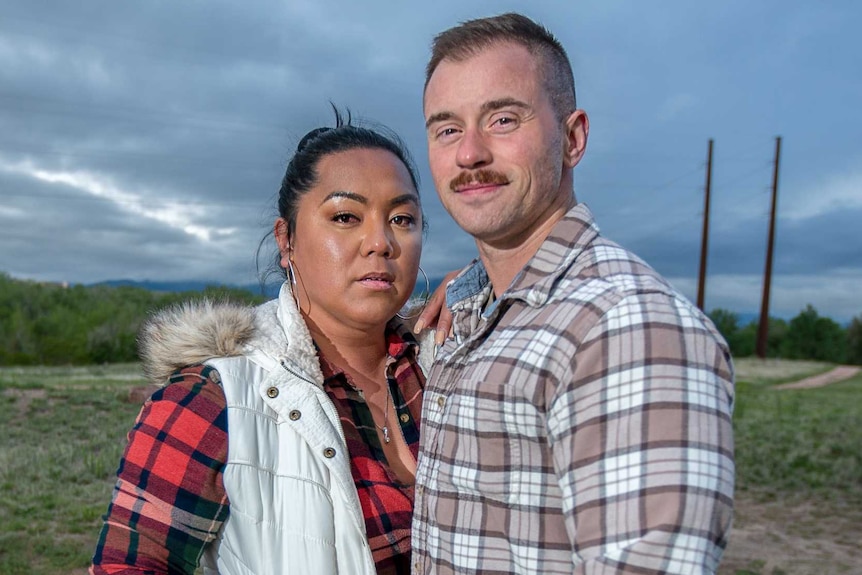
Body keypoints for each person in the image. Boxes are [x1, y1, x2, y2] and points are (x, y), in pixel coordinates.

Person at [411, 13, 735, 575]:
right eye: (447, 130)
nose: (469, 154)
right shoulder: (474, 314)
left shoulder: (627, 327)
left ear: (573, 137)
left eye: (503, 119)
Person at [90, 110, 437, 575]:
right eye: (346, 216)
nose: (380, 242)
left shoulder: (446, 365)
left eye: (402, 218)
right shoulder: (213, 397)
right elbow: (129, 566)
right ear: (287, 240)